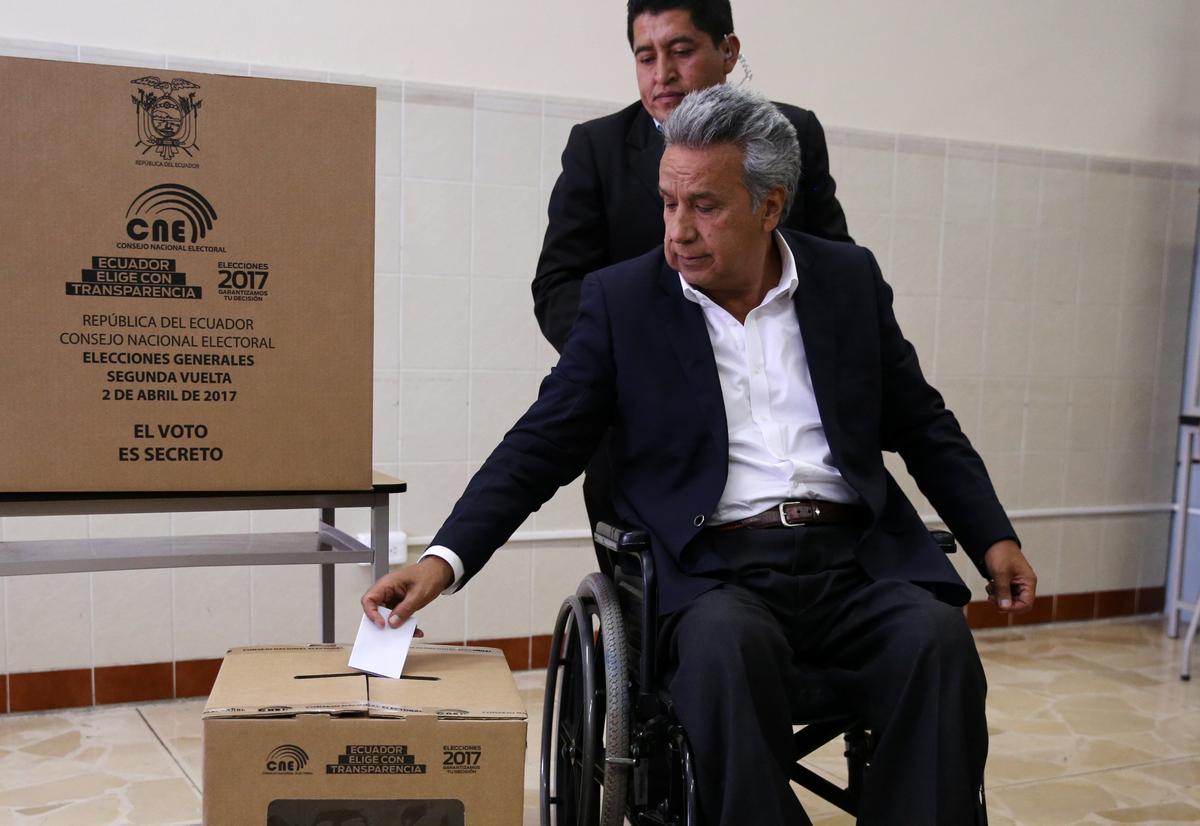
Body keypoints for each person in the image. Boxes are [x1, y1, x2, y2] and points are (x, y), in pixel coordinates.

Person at [363, 85, 1037, 825]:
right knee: (725, 647)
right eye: (667, 203)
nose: (677, 231)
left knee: (936, 640)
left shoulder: (847, 281)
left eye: (705, 206)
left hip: (854, 560)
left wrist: (992, 534)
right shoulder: (624, 303)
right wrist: (442, 560)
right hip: (715, 572)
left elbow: (922, 420)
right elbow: (540, 443)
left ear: (771, 206)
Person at [535, 0, 854, 533]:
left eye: (681, 51)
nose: (662, 74)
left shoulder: (791, 133)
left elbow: (832, 270)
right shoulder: (598, 148)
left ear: (728, 51)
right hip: (653, 430)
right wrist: (638, 358)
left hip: (775, 411)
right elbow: (557, 287)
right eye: (645, 57)